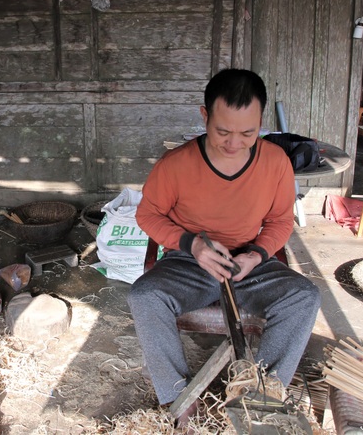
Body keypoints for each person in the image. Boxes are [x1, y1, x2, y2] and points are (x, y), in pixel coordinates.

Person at [127, 69, 321, 422]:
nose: (234, 143)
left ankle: (262, 394)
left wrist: (257, 254)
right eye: (223, 131)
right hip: (191, 261)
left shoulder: (276, 163)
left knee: (304, 297)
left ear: (260, 121)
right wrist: (192, 245)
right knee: (144, 296)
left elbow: (280, 221)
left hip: (249, 262)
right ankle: (178, 399)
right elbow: (148, 215)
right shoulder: (176, 165)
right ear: (205, 116)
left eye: (248, 132)